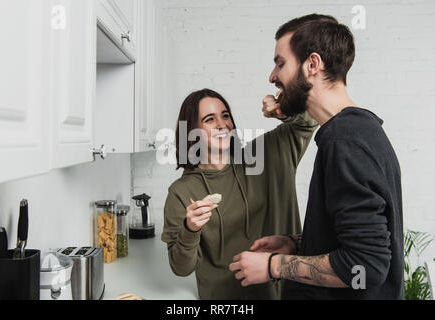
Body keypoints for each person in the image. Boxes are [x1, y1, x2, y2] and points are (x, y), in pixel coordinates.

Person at [229, 14, 404, 300]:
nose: (272, 76)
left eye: (280, 63)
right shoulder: (358, 129)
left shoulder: (345, 142)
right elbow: (351, 239)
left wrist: (274, 266)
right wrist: (298, 244)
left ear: (312, 65)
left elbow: (365, 266)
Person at [161, 88, 318, 299]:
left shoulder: (267, 155)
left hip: (291, 293)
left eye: (225, 116)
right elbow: (180, 268)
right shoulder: (181, 192)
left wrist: (284, 110)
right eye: (209, 119)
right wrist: (190, 229)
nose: (222, 124)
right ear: (191, 131)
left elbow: (310, 121)